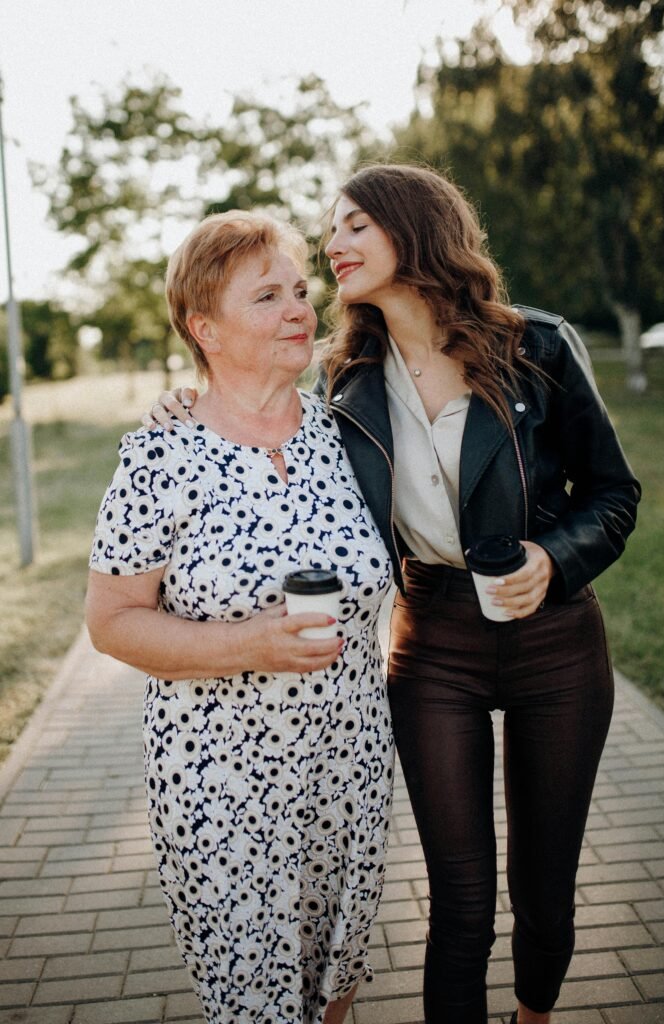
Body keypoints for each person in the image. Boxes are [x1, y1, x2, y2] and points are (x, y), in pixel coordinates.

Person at [145, 164, 641, 1024]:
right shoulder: (343, 379)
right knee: (459, 898)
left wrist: (552, 558)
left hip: (554, 641)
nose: (331, 244)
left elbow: (613, 494)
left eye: (354, 225)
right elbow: (253, 405)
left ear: (414, 228)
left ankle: (533, 1016)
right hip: (432, 643)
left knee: (545, 887)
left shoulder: (538, 346)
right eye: (330, 229)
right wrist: (187, 402)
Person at [86, 209, 395, 1024]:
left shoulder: (347, 432)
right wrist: (247, 643)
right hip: (221, 784)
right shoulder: (160, 455)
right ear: (205, 329)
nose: (299, 309)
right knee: (255, 999)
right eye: (266, 297)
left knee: (333, 982)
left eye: (298, 290)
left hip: (350, 769)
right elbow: (111, 621)